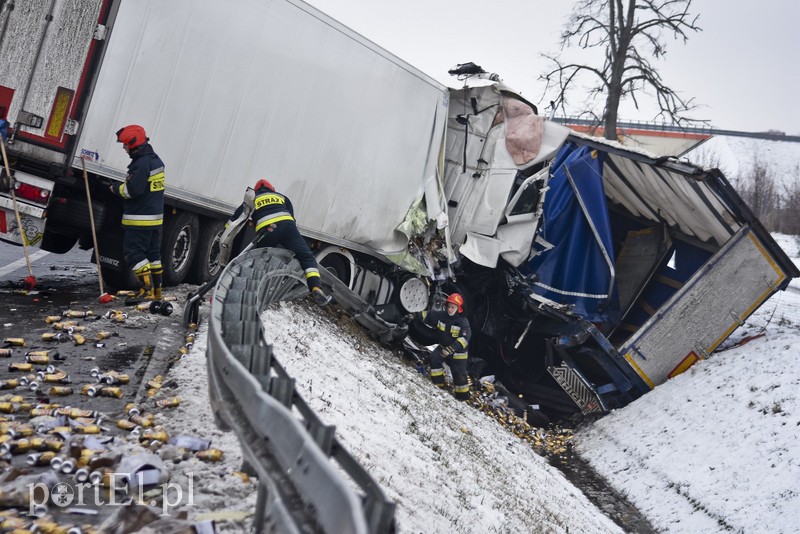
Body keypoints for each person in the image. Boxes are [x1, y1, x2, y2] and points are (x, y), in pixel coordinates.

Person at [227, 179, 331, 306]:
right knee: (306, 257)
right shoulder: (282, 197)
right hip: (288, 227)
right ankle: (316, 287)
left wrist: (225, 231)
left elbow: (236, 219)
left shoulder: (253, 199)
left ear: (256, 190)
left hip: (267, 231)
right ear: (273, 189)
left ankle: (248, 294)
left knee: (260, 262)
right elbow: (292, 217)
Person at [108, 125, 165, 300]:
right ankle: (156, 292)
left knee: (134, 253)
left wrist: (115, 188)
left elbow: (133, 190)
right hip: (154, 218)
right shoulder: (155, 161)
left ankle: (146, 291)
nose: (124, 148)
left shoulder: (141, 164)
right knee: (153, 255)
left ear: (134, 145)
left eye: (126, 145)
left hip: (139, 219)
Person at [414, 293, 471, 400]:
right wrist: (414, 315)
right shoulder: (441, 316)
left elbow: (464, 339)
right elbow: (428, 315)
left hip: (458, 354)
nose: (450, 309)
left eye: (453, 307)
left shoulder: (463, 322)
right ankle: (438, 385)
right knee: (434, 359)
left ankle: (462, 398)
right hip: (443, 347)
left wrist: (451, 349)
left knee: (459, 376)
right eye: (449, 306)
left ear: (458, 309)